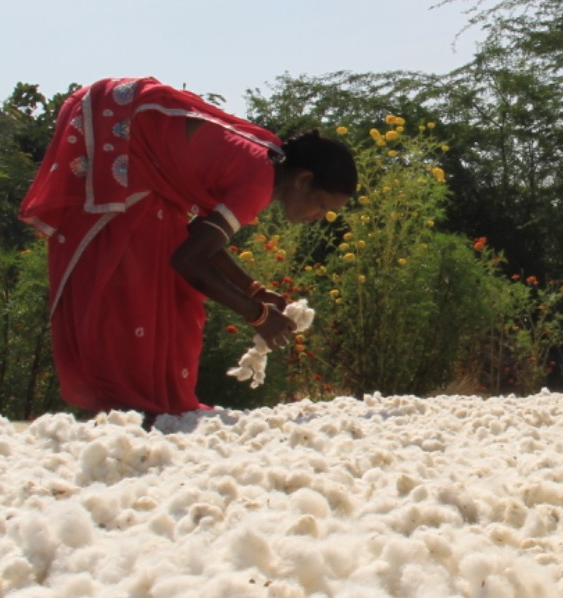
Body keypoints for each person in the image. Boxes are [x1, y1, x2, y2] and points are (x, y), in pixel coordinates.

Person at [19, 76, 355, 419]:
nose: (318, 217)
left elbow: (196, 239)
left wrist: (255, 290)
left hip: (131, 144)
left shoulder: (264, 164)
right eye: (322, 206)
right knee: (131, 288)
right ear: (303, 181)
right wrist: (258, 315)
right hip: (120, 146)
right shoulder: (257, 180)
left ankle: (135, 411)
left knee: (164, 288)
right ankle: (123, 411)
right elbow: (189, 260)